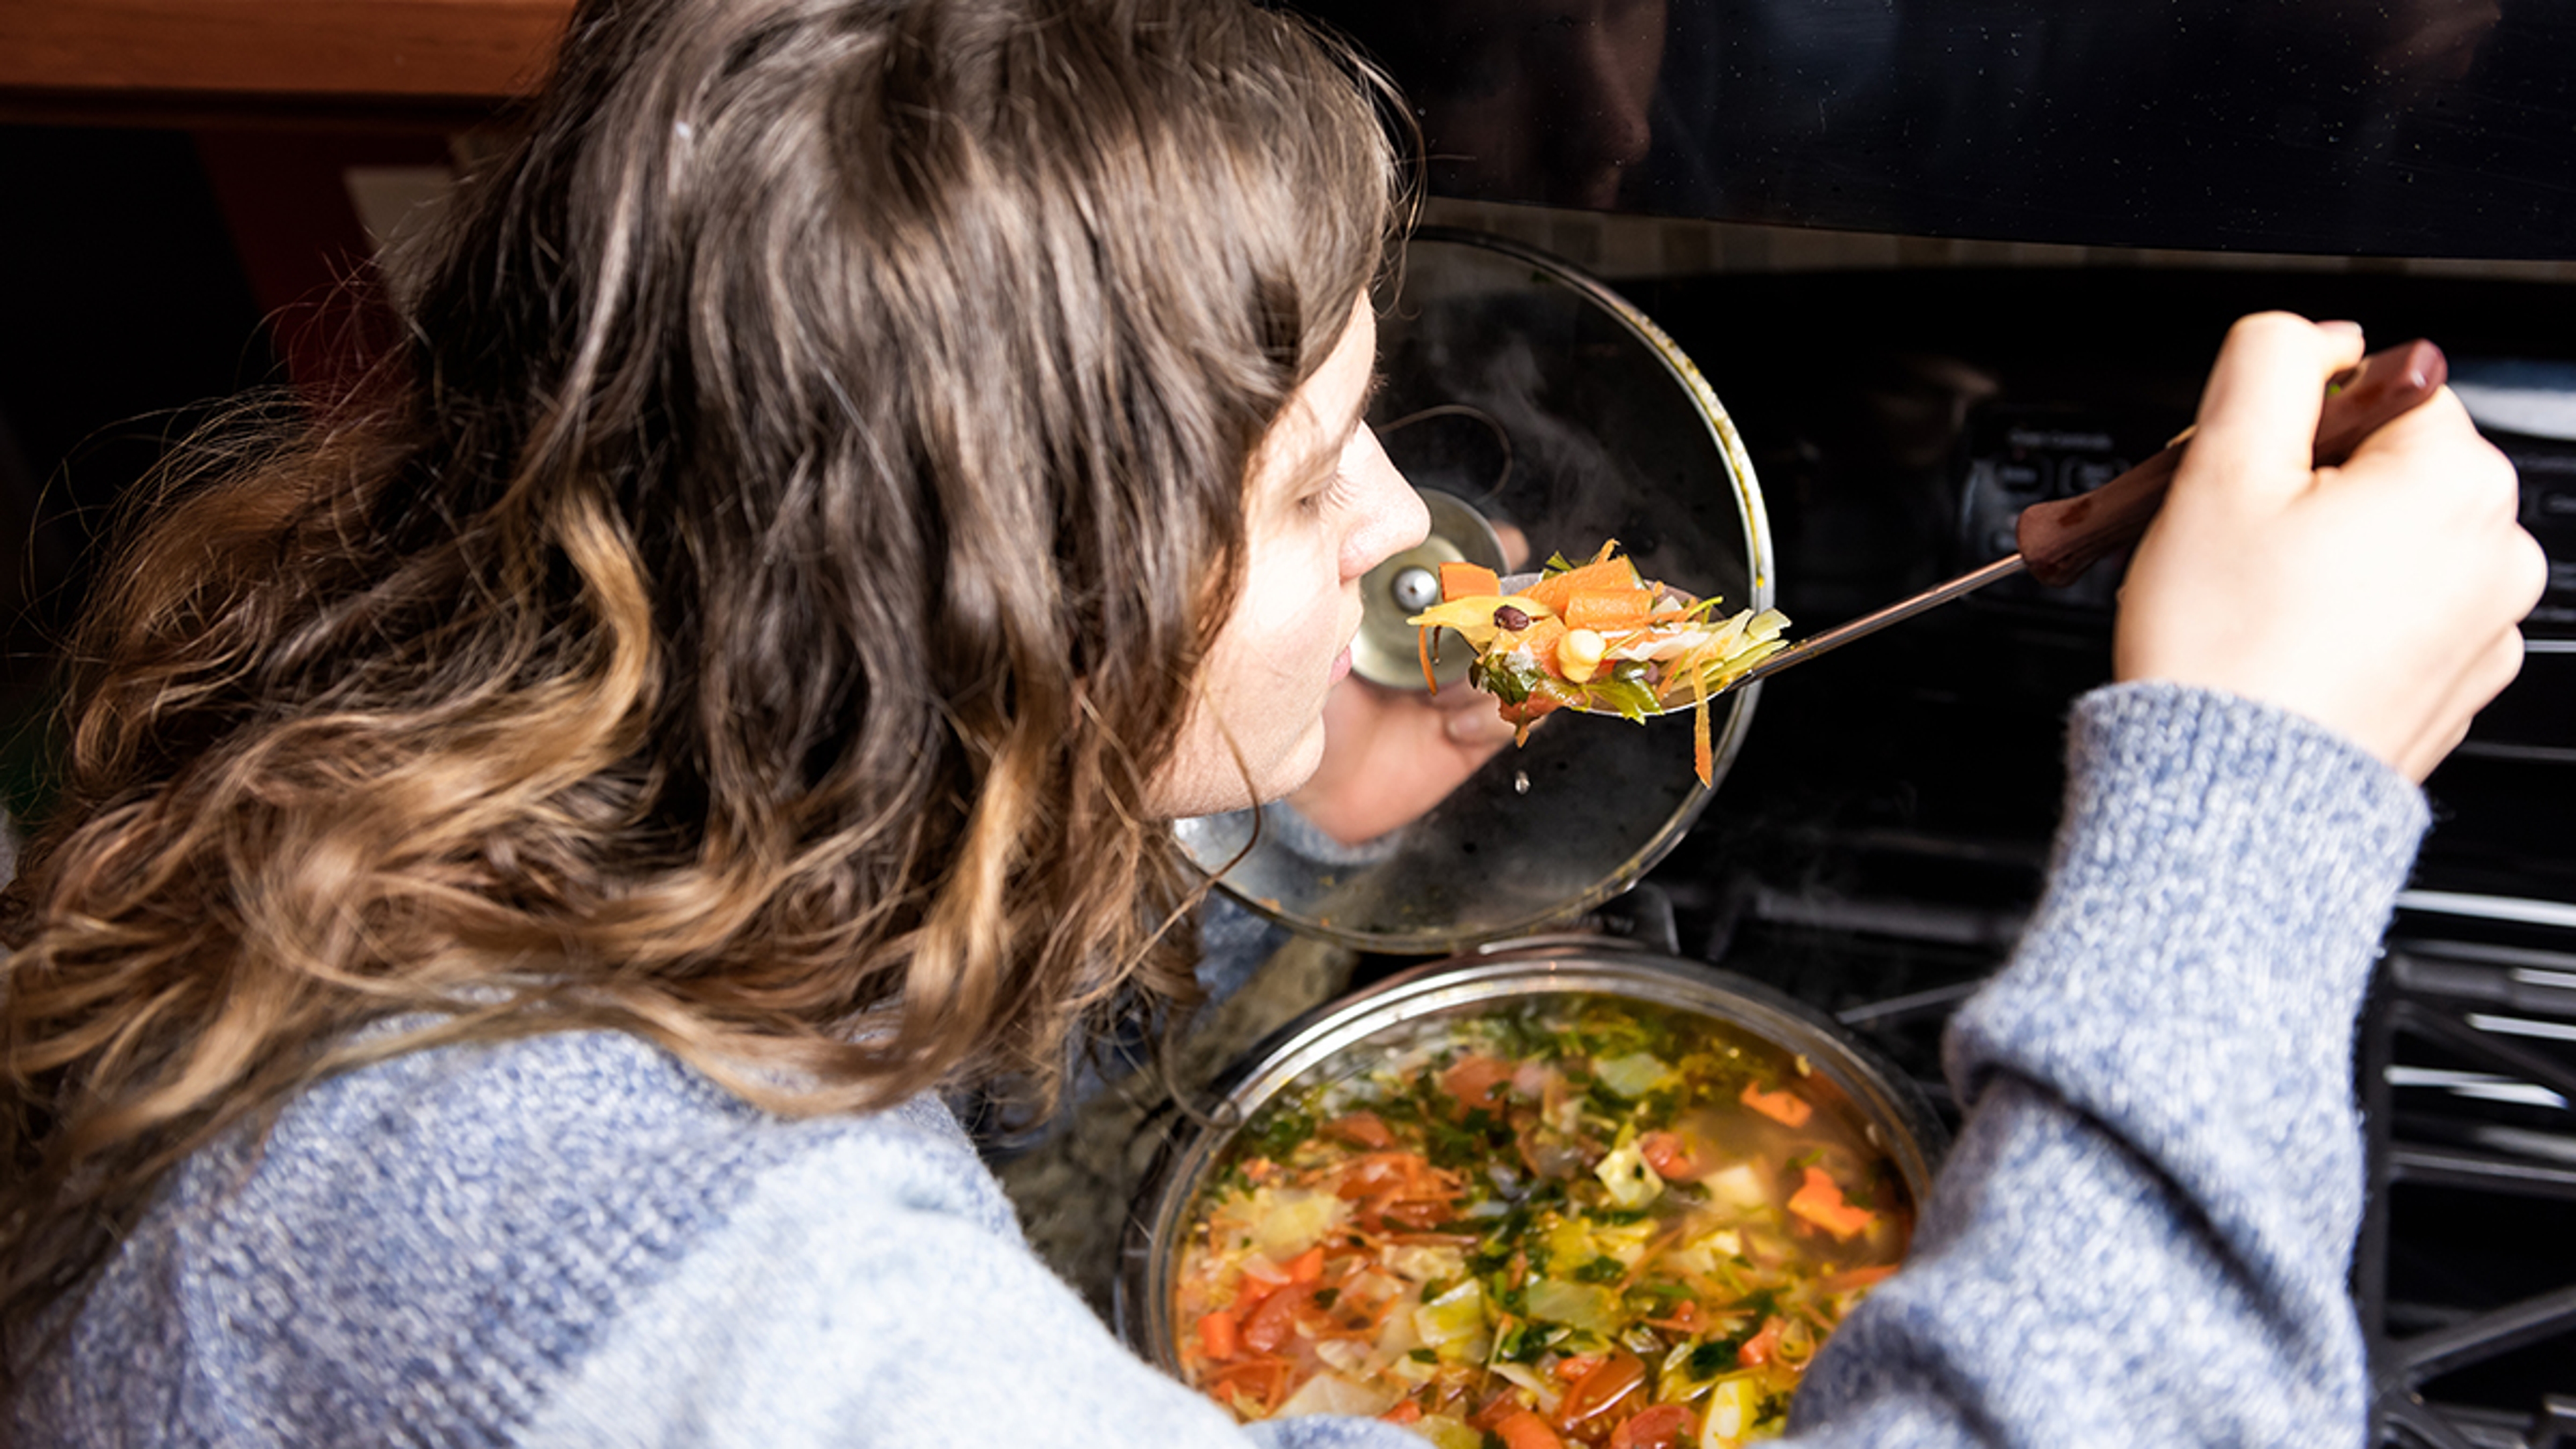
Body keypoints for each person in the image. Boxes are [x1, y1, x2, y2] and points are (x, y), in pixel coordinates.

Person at [0, 0, 2542, 1445]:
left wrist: (1238, 809)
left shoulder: (475, 849)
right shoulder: (628, 1293)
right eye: (1321, 469)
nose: (1414, 533)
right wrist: (2257, 787)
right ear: (1027, 594)